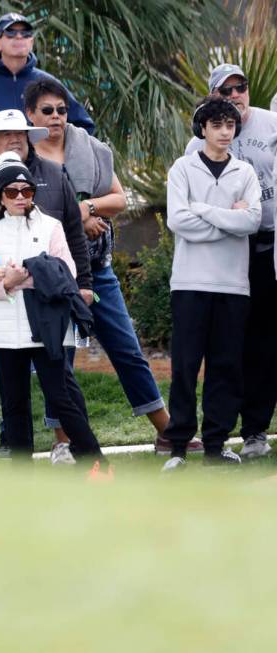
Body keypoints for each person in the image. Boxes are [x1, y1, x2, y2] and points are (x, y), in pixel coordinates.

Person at [24, 78, 187, 460]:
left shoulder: (89, 148)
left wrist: (85, 210)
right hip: (51, 276)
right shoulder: (26, 159)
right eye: (47, 110)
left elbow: (118, 197)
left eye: (61, 110)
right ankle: (62, 441)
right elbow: (23, 208)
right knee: (58, 356)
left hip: (97, 269)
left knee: (127, 349)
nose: (56, 117)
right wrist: (77, 222)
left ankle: (167, 431)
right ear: (31, 114)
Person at [0, 109, 91, 455]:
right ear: (1, 195)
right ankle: (21, 484)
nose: (20, 197)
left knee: (61, 396)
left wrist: (24, 274)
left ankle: (95, 462)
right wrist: (2, 286)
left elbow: (67, 271)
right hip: (3, 327)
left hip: (46, 321)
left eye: (26, 191)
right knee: (14, 406)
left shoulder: (51, 224)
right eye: (12, 192)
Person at [162, 96, 261, 471]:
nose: (224, 132)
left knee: (226, 367)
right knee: (185, 366)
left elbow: (251, 222)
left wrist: (200, 210)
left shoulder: (245, 173)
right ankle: (178, 448)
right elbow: (178, 221)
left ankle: (217, 444)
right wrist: (224, 217)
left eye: (230, 126)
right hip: (189, 282)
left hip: (234, 285)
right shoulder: (182, 169)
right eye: (217, 125)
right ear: (202, 129)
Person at [185, 64, 277, 459]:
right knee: (225, 345)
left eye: (241, 87)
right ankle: (215, 432)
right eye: (227, 91)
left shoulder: (272, 125)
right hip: (223, 251)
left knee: (264, 342)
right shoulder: (196, 146)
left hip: (268, 247)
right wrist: (232, 215)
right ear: (212, 99)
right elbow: (189, 205)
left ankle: (256, 430)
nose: (236, 94)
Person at [0, 12, 94, 133]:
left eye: (25, 33)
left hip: (39, 164)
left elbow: (84, 125)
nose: (19, 37)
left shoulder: (47, 83)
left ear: (31, 42)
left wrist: (59, 156)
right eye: (10, 32)